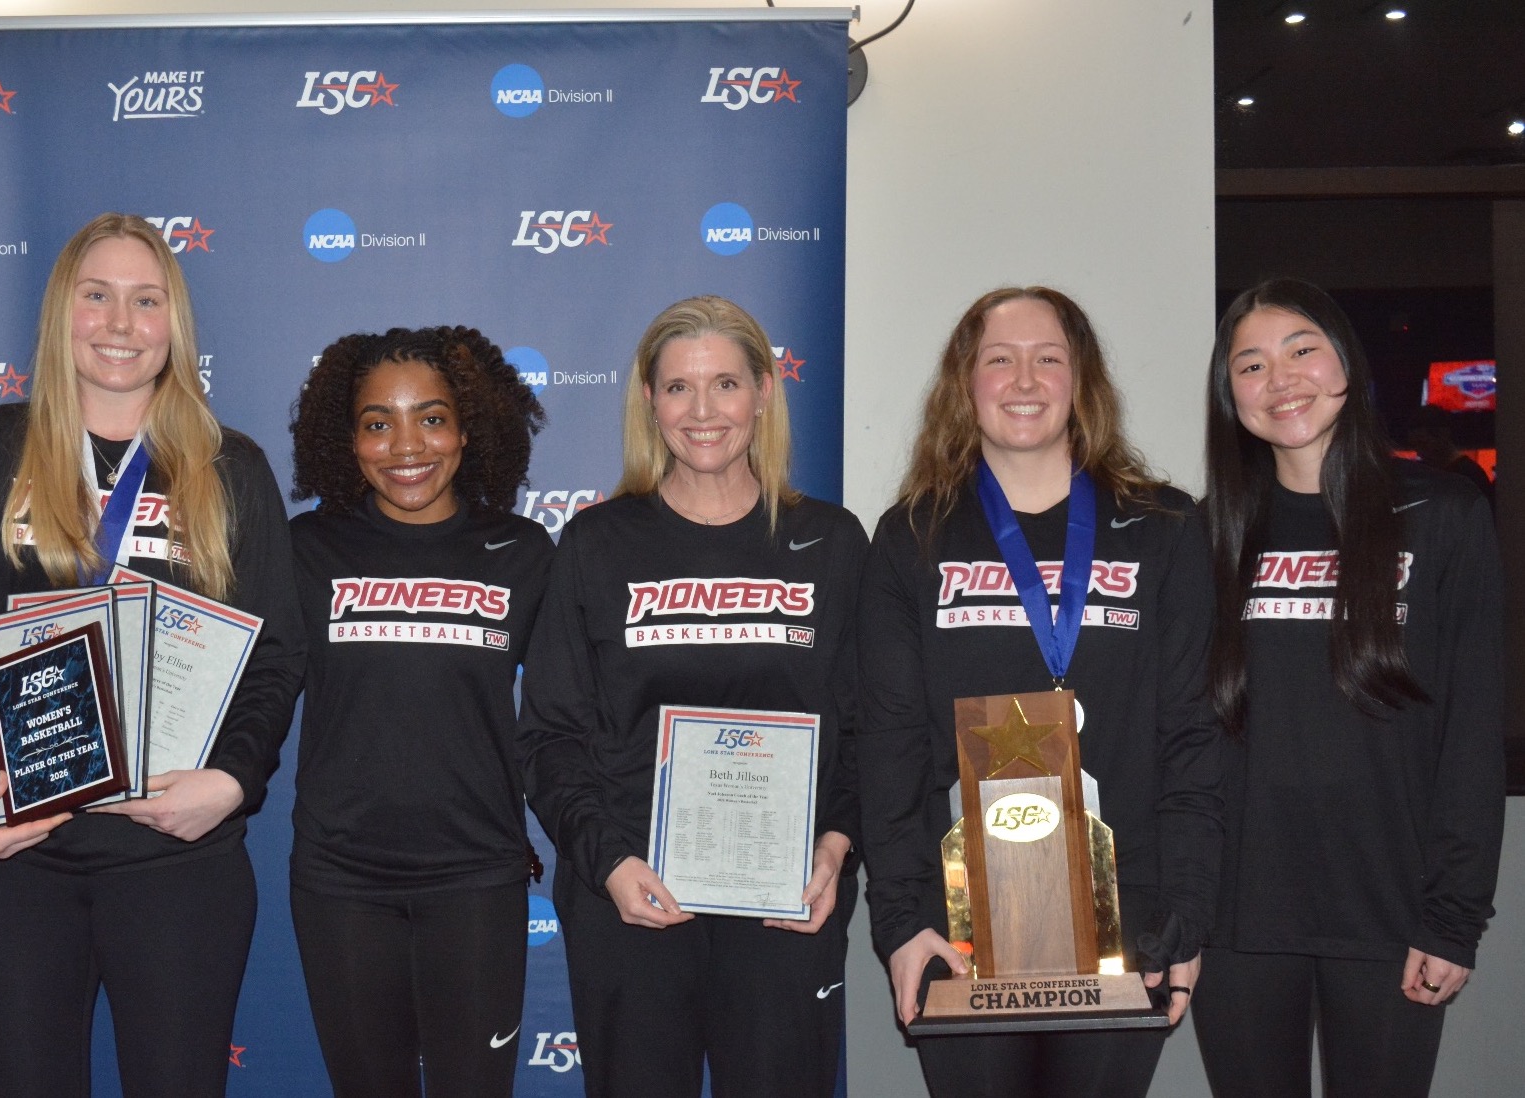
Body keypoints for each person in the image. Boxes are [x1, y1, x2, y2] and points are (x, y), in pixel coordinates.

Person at [0, 213, 306, 1097]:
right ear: (63, 312)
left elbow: (274, 656)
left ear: (175, 323)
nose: (120, 323)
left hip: (173, 856)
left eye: (145, 300)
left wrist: (233, 782)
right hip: (17, 853)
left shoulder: (227, 467)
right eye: (96, 297)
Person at [857, 287, 1223, 1097]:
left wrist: (1186, 912)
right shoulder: (911, 536)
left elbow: (1193, 734)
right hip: (958, 932)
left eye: (1047, 358)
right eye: (999, 359)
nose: (1023, 379)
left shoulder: (1164, 530)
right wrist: (902, 924)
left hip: (1128, 925)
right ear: (965, 384)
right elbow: (887, 746)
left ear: (1080, 380)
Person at [517, 295, 865, 1098]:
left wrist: (836, 847)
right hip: (632, 898)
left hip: (785, 901)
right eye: (678, 388)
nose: (702, 411)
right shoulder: (597, 544)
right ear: (648, 400)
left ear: (764, 392)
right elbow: (550, 735)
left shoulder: (831, 542)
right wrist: (607, 863)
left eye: (724, 385)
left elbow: (867, 725)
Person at [1192, 278, 1503, 1097]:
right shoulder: (1208, 531)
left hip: (1390, 910)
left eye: (1301, 350)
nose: (1279, 379)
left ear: (1345, 364)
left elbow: (1470, 731)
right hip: (1237, 919)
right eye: (1249, 365)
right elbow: (1184, 733)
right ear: (1230, 395)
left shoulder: (1440, 512)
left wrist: (1454, 915)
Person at [285, 325, 550, 1097]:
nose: (407, 446)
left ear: (470, 428)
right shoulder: (306, 551)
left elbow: (574, 718)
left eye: (431, 418)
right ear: (347, 440)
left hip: (475, 877)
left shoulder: (525, 552)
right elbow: (248, 692)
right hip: (341, 882)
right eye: (377, 423)